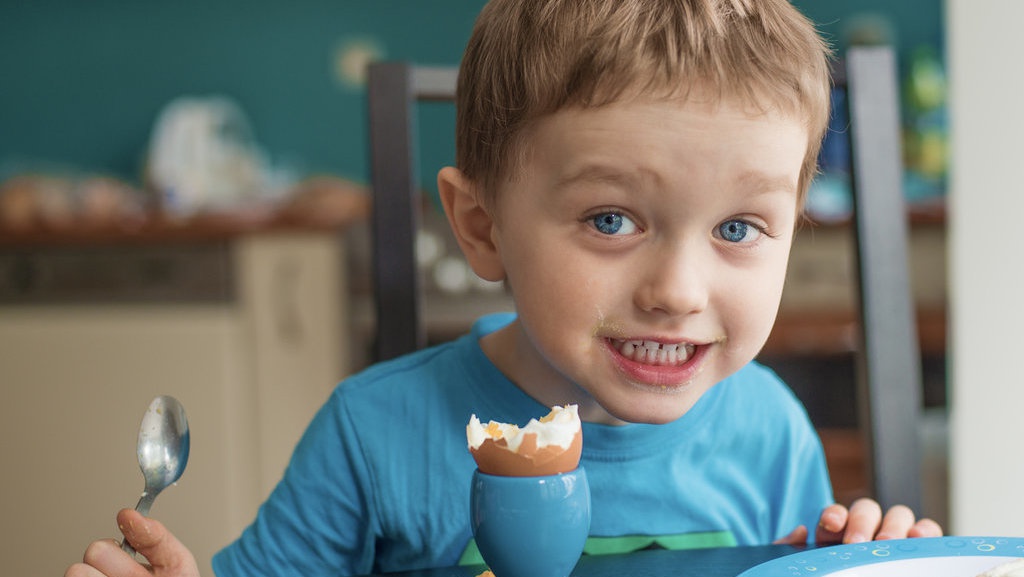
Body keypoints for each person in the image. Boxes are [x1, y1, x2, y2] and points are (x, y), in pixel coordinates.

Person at [66, 1, 942, 576]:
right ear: (481, 227)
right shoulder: (374, 434)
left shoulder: (772, 435)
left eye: (738, 229)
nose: (678, 291)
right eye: (611, 220)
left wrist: (857, 565)